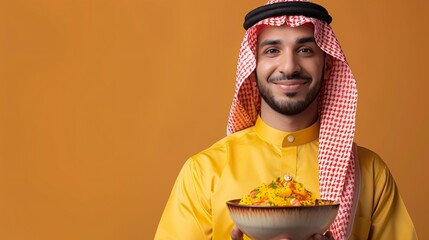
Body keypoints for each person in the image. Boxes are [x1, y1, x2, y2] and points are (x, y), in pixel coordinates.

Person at [155, 0, 418, 239]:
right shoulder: (204, 172)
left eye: (304, 49)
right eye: (272, 51)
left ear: (327, 65)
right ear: (253, 65)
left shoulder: (371, 173)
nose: (289, 66)